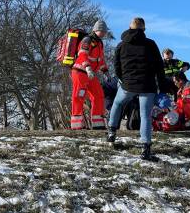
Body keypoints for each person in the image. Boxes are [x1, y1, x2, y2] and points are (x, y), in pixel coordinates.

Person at [107, 17, 167, 161]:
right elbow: (160, 67)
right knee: (145, 115)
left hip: (128, 84)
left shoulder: (121, 45)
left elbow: (116, 66)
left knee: (118, 103)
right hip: (147, 85)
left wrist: (123, 80)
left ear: (130, 28)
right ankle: (145, 149)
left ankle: (111, 132)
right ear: (144, 29)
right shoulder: (151, 44)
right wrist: (162, 88)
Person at [70, 20, 110, 130]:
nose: (103, 33)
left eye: (104, 31)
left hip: (90, 73)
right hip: (80, 71)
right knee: (79, 95)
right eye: (101, 31)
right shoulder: (87, 40)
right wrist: (87, 67)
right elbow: (82, 55)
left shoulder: (99, 43)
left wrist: (105, 71)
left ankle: (98, 124)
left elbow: (100, 60)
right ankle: (77, 125)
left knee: (98, 94)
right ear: (95, 30)